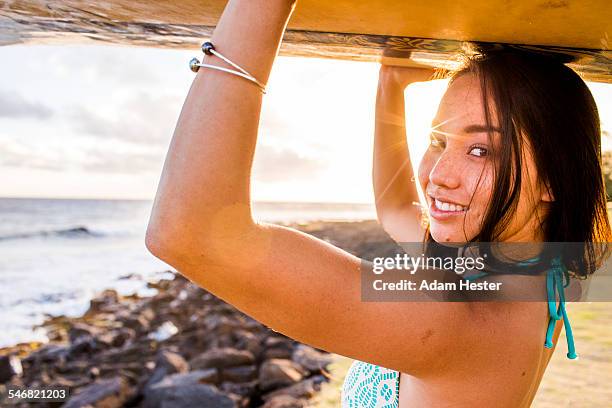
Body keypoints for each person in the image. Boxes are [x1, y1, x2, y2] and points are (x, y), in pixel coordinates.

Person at [145, 0, 611, 406]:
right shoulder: (531, 274)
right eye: (437, 140)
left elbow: (191, 232)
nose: (437, 176)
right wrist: (391, 80)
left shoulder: (457, 322)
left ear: (555, 178)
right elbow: (394, 210)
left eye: (480, 150)